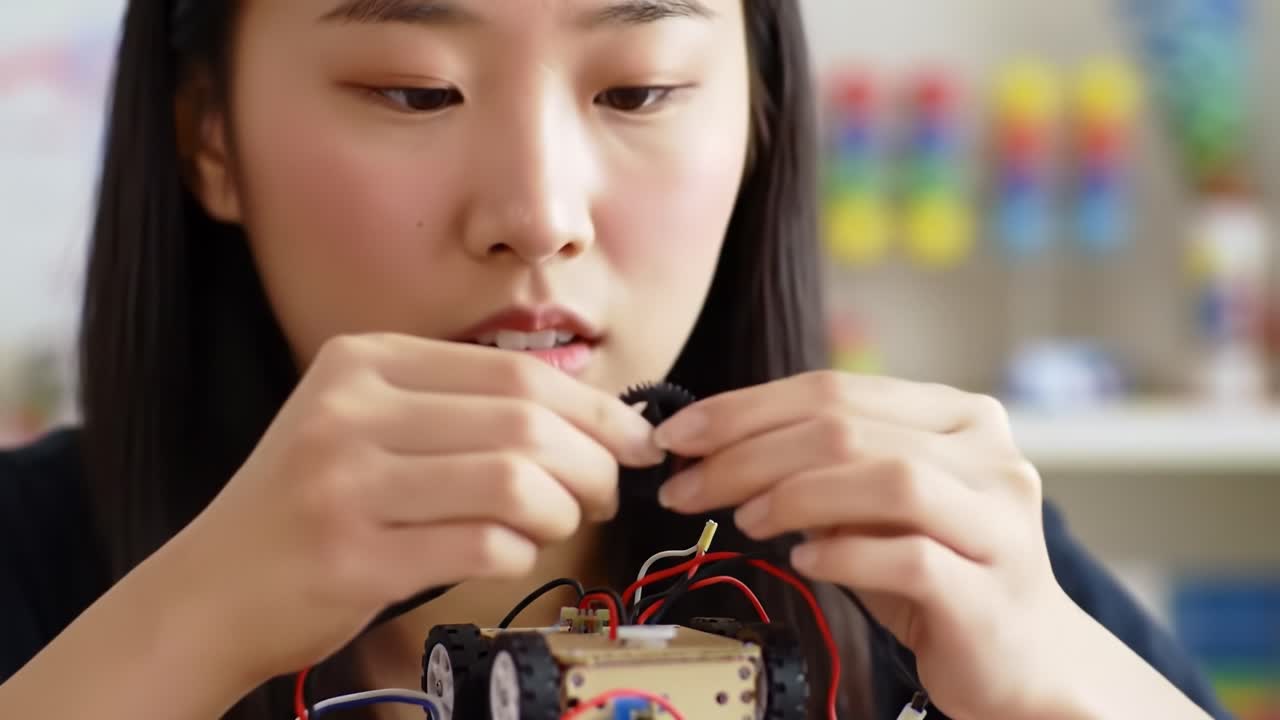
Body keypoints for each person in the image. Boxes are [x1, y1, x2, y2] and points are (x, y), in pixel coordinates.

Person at [0, 2, 1233, 719]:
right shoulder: (35, 565)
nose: (539, 214)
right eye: (413, 91)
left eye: (638, 92)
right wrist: (180, 635)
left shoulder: (954, 571)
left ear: (754, 116)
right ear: (209, 138)